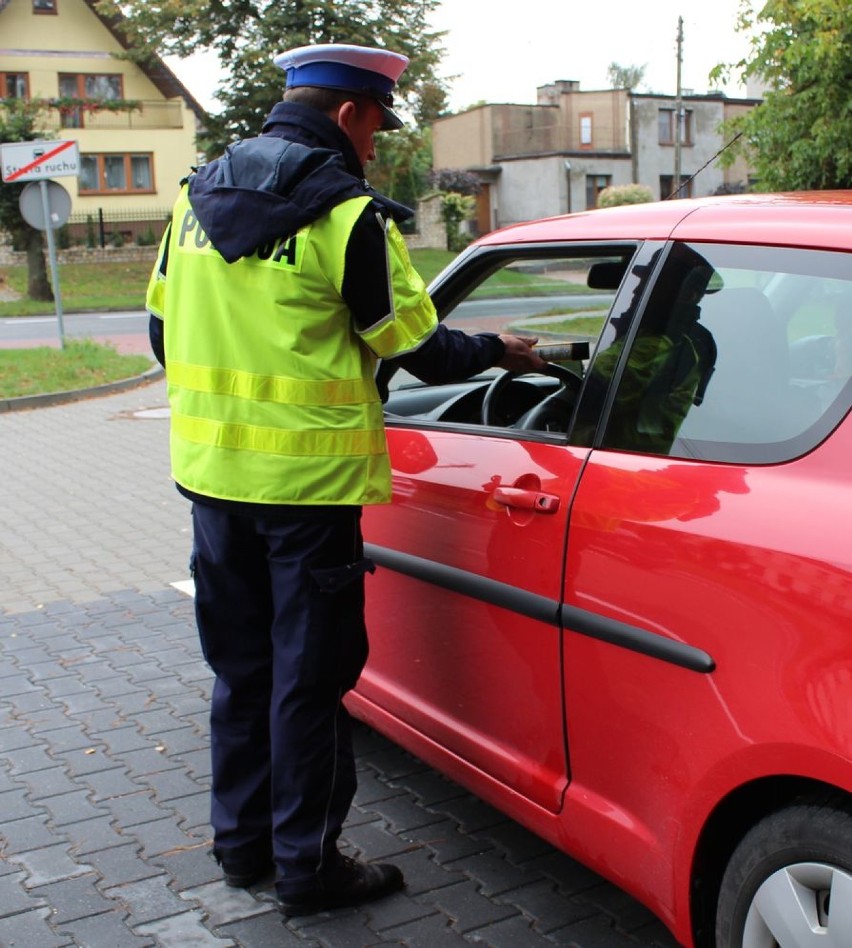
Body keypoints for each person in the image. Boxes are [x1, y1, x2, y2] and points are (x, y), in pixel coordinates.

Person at [146, 42, 545, 918]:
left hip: (214, 483)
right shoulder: (348, 217)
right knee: (309, 678)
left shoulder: (191, 203)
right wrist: (500, 351)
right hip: (310, 492)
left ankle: (243, 847)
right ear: (348, 116)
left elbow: (158, 334)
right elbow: (418, 344)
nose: (373, 150)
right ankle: (308, 866)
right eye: (373, 130)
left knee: (243, 671)